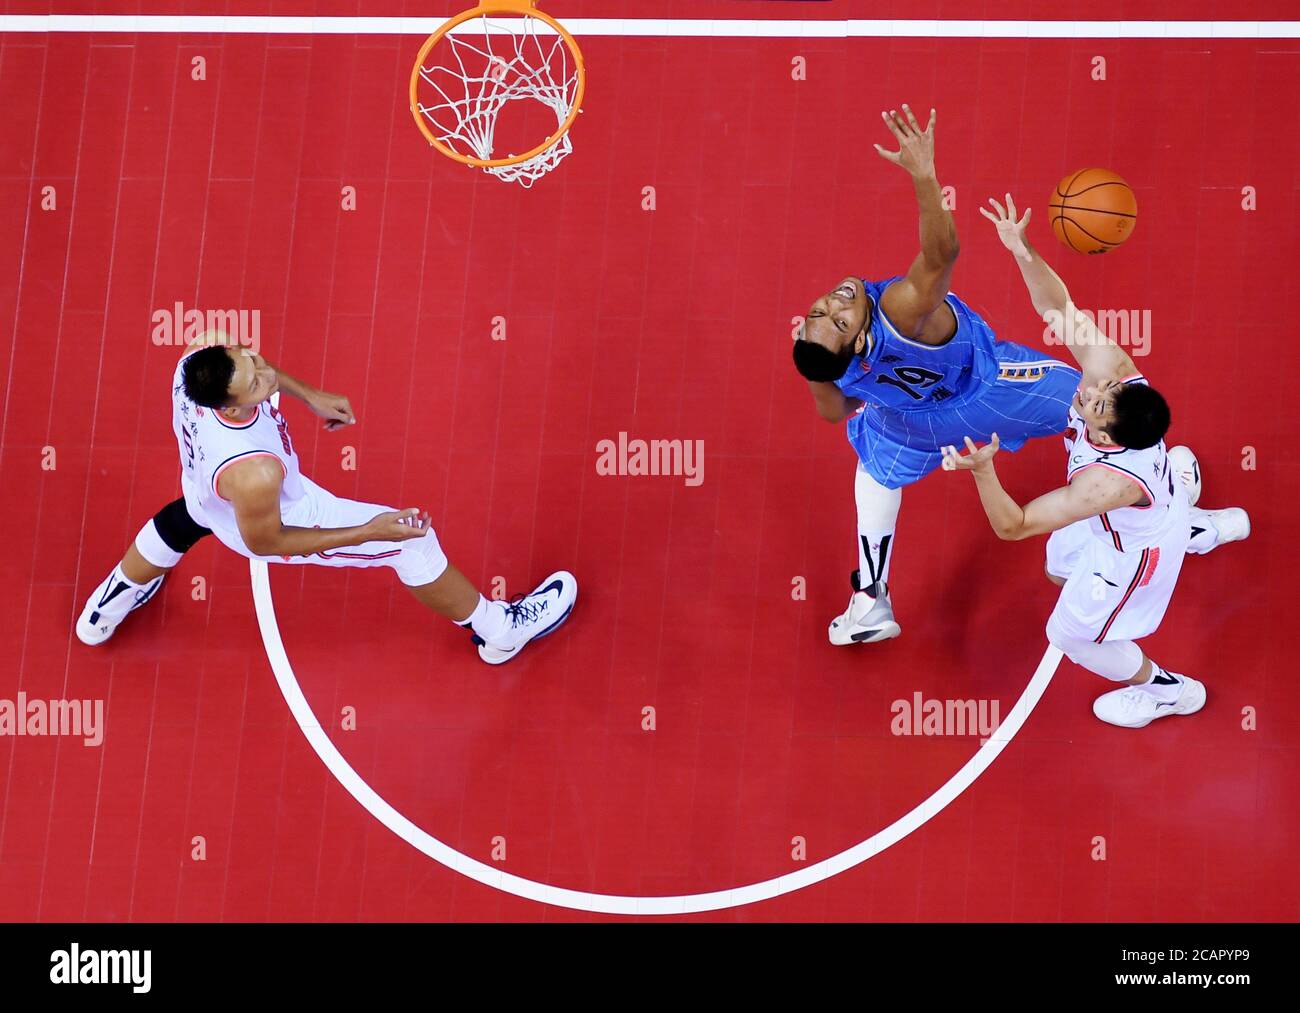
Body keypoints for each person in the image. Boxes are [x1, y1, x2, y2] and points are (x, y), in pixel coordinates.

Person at [76, 331, 576, 665]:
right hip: (283, 517)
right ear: (231, 407)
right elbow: (271, 541)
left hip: (203, 491)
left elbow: (258, 370)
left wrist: (309, 395)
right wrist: (370, 531)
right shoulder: (256, 474)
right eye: (253, 381)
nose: (260, 368)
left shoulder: (197, 364)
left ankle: (106, 609)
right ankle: (499, 631)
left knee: (182, 519)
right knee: (412, 545)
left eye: (248, 357)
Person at [940, 195, 1249, 727]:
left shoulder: (1103, 486)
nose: (1090, 392)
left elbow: (1014, 526)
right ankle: (1198, 524)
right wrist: (1021, 249)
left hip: (1135, 549)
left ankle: (1166, 691)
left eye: (1097, 404)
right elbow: (1056, 307)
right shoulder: (1115, 371)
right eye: (1102, 390)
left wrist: (984, 472)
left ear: (1109, 436)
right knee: (1059, 564)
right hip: (1151, 502)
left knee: (1070, 635)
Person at [793, 104, 1080, 646]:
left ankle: (870, 601)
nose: (834, 302)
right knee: (1106, 397)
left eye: (819, 313)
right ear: (858, 338)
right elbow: (942, 251)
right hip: (990, 392)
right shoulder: (899, 310)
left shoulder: (830, 363)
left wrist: (813, 365)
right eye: (837, 318)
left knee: (875, 472)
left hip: (908, 423)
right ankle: (1165, 502)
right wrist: (924, 174)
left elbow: (835, 410)